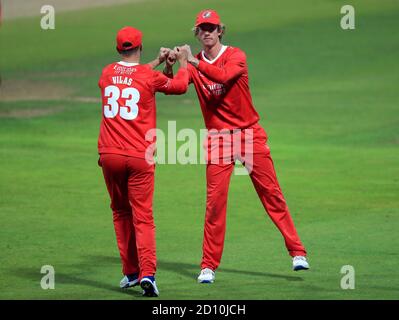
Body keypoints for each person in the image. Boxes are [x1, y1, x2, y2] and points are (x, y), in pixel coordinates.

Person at [164, 9, 310, 283]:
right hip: (219, 140)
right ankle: (208, 266)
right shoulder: (194, 64)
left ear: (221, 30)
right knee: (215, 204)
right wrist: (171, 63)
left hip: (248, 135)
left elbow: (223, 77)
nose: (207, 32)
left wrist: (192, 60)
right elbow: (177, 86)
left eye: (212, 27)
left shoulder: (236, 56)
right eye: (202, 28)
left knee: (271, 195)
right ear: (197, 33)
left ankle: (297, 252)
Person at [97, 26, 188, 296]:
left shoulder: (106, 73)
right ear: (141, 47)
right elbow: (180, 86)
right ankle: (148, 274)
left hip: (110, 154)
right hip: (139, 157)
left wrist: (159, 62)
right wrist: (181, 62)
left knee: (120, 212)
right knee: (143, 217)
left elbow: (129, 75)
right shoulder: (147, 76)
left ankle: (131, 272)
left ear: (118, 49)